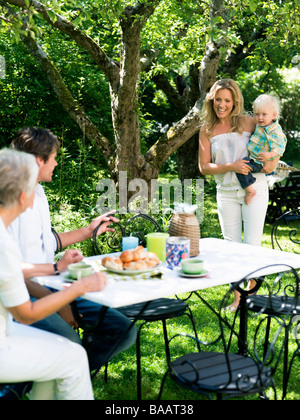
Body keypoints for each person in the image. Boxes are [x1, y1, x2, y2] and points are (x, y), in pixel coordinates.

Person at [9, 127, 136, 370]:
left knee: (123, 330)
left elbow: (46, 241)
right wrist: (59, 302)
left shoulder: (37, 191)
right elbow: (10, 274)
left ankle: (67, 380)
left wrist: (88, 231)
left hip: (53, 286)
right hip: (22, 298)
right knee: (70, 347)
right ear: (38, 160)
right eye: (54, 157)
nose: (56, 162)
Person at [0, 148, 108, 400]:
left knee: (56, 361)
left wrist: (57, 268)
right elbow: (25, 313)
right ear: (24, 195)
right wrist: (80, 288)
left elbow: (11, 269)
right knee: (74, 356)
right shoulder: (4, 241)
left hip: (6, 329)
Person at [198, 79, 280, 311]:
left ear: (235, 102)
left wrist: (271, 161)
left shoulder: (249, 121)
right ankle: (238, 300)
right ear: (211, 100)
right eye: (218, 100)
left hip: (254, 189)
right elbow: (204, 167)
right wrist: (231, 166)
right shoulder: (206, 130)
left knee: (252, 246)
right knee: (231, 248)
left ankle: (250, 298)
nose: (222, 105)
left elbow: (275, 134)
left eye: (227, 100)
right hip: (225, 193)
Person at [236, 94, 287, 205]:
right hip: (253, 158)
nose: (260, 118)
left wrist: (269, 155)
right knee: (242, 164)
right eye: (257, 114)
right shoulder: (261, 125)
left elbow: (280, 147)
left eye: (264, 114)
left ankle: (250, 190)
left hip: (258, 162)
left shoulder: (275, 132)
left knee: (241, 169)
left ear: (274, 115)